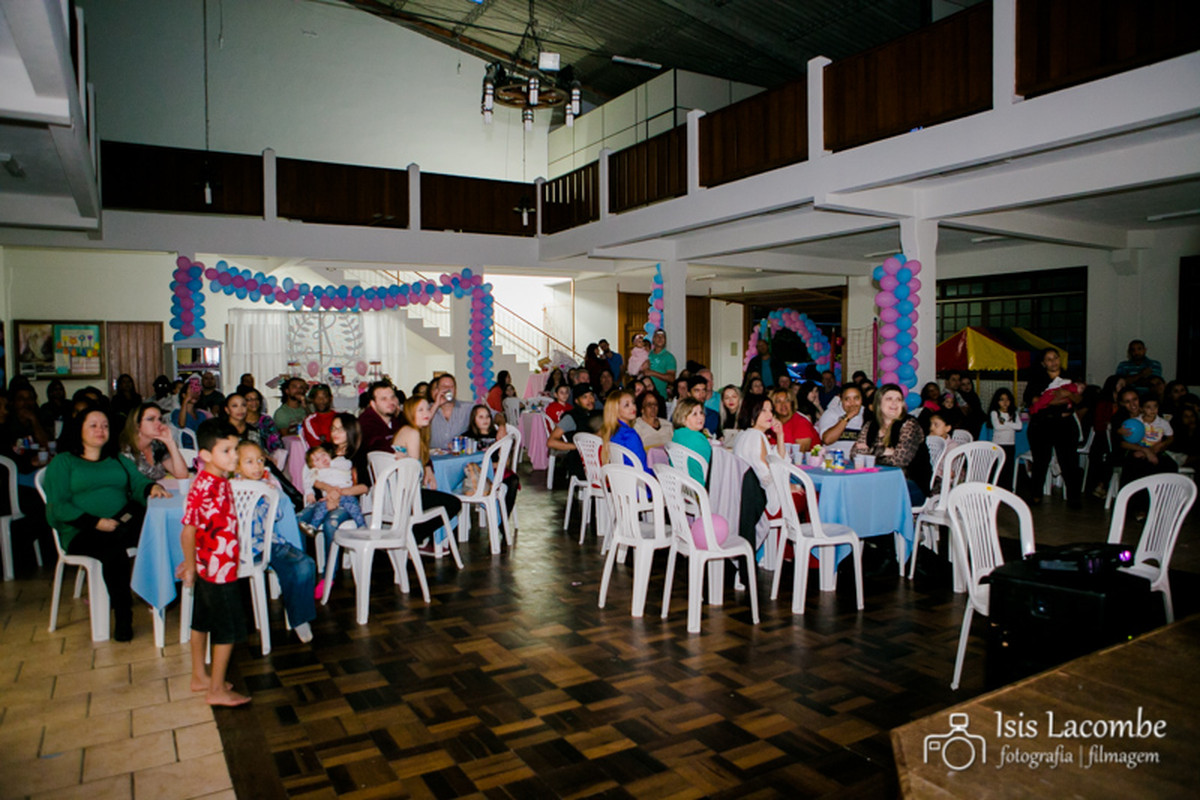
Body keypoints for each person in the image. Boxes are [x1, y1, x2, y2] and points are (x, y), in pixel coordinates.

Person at [44, 407, 171, 642]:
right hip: (81, 530)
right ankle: (123, 615)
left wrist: (152, 487)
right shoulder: (64, 462)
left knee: (152, 527)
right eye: (93, 425)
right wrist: (95, 522)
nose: (100, 430)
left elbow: (139, 482)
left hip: (120, 522)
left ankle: (162, 595)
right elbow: (58, 506)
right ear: (79, 429)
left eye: (104, 426)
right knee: (113, 550)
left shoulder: (117, 459)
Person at [177, 419, 251, 706]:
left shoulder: (217, 481)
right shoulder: (206, 486)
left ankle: (200, 676)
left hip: (214, 566)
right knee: (227, 629)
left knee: (202, 621)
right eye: (227, 450)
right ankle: (217, 690)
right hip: (217, 571)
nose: (234, 456)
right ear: (206, 455)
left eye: (235, 449)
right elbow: (188, 529)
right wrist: (190, 564)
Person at [235, 441, 316, 644]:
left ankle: (299, 617)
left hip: (267, 542)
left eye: (260, 461)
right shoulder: (229, 487)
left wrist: (271, 493)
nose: (257, 466)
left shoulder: (266, 487)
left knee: (305, 564)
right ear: (236, 466)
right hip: (239, 547)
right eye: (249, 462)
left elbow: (277, 516)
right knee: (293, 566)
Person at [391, 396, 463, 547]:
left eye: (427, 409)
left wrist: (426, 468)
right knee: (454, 503)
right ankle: (413, 536)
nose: (427, 413)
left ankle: (415, 536)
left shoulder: (405, 430)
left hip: (396, 493)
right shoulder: (413, 433)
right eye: (420, 410)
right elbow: (413, 471)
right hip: (407, 496)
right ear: (411, 413)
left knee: (442, 498)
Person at [1023, 348, 1083, 508]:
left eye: (1055, 358)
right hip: (1042, 425)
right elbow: (1034, 401)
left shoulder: (1070, 377)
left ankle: (1073, 498)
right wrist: (1055, 399)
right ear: (1043, 363)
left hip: (1065, 425)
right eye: (1049, 359)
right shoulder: (1037, 379)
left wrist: (1067, 395)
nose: (1053, 362)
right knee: (1040, 462)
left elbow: (1078, 399)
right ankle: (1036, 495)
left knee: (1069, 462)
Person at [853, 384, 930, 506]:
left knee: (869, 496)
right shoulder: (871, 425)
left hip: (910, 484)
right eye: (889, 399)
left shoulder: (909, 424)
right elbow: (855, 454)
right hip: (878, 481)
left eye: (898, 399)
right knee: (853, 490)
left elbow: (899, 460)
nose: (894, 403)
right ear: (878, 403)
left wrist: (873, 451)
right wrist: (885, 451)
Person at [119, 402, 190, 480]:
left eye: (159, 419)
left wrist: (170, 442)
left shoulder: (157, 446)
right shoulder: (125, 451)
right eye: (151, 419)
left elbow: (182, 475)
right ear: (137, 424)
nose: (158, 423)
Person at [547, 383, 602, 482]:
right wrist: (579, 446)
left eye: (591, 396)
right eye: (585, 397)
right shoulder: (571, 417)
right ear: (577, 401)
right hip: (580, 463)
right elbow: (551, 442)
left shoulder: (598, 413)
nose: (590, 400)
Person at [1119, 396, 1177, 486]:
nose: (1152, 410)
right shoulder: (1135, 422)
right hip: (1138, 450)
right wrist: (1144, 451)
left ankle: (1163, 496)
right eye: (1148, 407)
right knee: (1137, 466)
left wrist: (1161, 446)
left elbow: (1170, 437)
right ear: (1142, 409)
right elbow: (1123, 442)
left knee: (1170, 466)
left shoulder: (1163, 423)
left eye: (1155, 406)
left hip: (1157, 450)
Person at [599, 390, 650, 473]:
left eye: (633, 403)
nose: (633, 407)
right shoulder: (629, 435)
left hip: (620, 480)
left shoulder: (611, 432)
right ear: (615, 410)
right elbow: (641, 467)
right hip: (636, 480)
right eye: (627, 405)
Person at [670, 398, 712, 485]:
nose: (700, 417)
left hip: (683, 484)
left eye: (701, 413)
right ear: (683, 418)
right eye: (694, 414)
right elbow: (712, 467)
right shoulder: (698, 438)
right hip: (699, 485)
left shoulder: (677, 434)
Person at [988, 388, 1023, 488]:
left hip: (1010, 444)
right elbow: (998, 427)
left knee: (1008, 468)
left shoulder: (1014, 413)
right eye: (1002, 399)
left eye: (1007, 399)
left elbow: (1019, 426)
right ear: (997, 401)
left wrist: (1005, 423)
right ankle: (995, 487)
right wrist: (1011, 425)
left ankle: (1007, 488)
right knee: (997, 468)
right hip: (998, 444)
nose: (1005, 402)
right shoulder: (994, 413)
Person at [429, 374, 473, 451]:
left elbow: (494, 414)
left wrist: (502, 426)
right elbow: (418, 426)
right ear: (437, 390)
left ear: (455, 390)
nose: (447, 389)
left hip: (459, 458)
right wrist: (436, 404)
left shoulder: (466, 408)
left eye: (451, 386)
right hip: (434, 459)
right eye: (443, 387)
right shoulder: (428, 408)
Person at [358, 381, 402, 453]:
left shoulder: (397, 419)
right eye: (384, 399)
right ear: (373, 404)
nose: (391, 402)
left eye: (393, 397)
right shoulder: (366, 423)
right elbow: (378, 446)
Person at [242, 388, 283, 455]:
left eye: (256, 399)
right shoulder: (239, 421)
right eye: (249, 400)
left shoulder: (266, 420)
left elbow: (276, 441)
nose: (254, 402)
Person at [645, 329, 677, 398]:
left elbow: (671, 378)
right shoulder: (647, 354)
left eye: (662, 337)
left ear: (665, 340)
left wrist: (652, 373)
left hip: (661, 396)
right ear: (653, 339)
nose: (660, 338)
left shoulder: (669, 357)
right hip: (645, 395)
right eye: (657, 336)